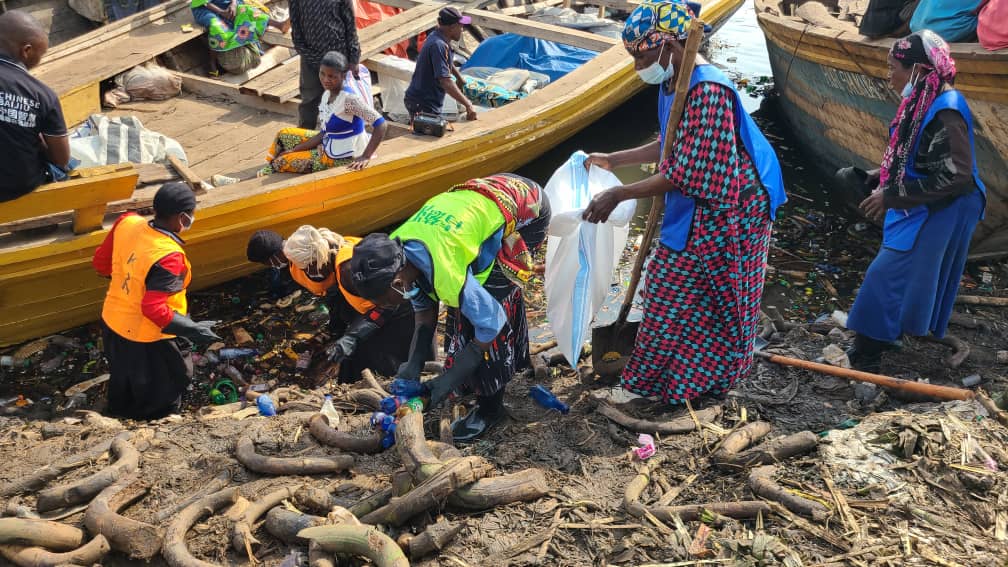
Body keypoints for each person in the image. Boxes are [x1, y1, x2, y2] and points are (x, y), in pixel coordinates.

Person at [580, 0, 787, 405]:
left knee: (695, 292)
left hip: (733, 206)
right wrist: (615, 159)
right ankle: (658, 377)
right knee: (669, 288)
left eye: (642, 55)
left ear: (671, 46)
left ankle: (687, 381)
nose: (639, 66)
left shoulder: (707, 89)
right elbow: (670, 143)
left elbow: (687, 173)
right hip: (700, 196)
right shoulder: (673, 82)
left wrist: (618, 192)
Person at [348, 174, 550, 442]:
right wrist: (414, 362)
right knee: (465, 306)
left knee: (487, 306)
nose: (384, 307)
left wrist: (445, 381)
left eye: (384, 301)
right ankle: (470, 378)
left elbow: (491, 324)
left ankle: (491, 410)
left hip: (527, 208)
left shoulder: (443, 269)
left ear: (397, 281)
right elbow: (424, 307)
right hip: (484, 199)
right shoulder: (395, 250)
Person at [843, 31, 986, 372]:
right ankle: (887, 334)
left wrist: (892, 196)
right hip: (923, 198)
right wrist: (884, 173)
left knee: (887, 273)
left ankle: (867, 354)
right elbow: (918, 154)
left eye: (893, 68)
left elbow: (956, 175)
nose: (888, 75)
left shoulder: (945, 111)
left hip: (945, 206)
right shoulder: (922, 98)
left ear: (919, 70)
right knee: (909, 272)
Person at [92, 183, 221, 420]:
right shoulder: (168, 256)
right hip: (147, 337)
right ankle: (153, 425)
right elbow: (153, 308)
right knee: (163, 389)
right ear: (182, 218)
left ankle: (118, 414)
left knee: (124, 378)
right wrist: (192, 329)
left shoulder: (127, 222)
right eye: (191, 215)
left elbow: (101, 263)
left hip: (113, 322)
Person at [246, 226, 414, 381]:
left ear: (316, 261)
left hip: (402, 310)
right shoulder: (329, 261)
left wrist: (352, 337)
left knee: (381, 361)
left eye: (306, 268)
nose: (305, 273)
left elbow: (386, 306)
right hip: (378, 308)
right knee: (353, 356)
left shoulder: (349, 270)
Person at [260, 50, 387, 175]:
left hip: (342, 155)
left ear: (343, 76)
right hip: (329, 142)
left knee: (282, 161)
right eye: (322, 74)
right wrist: (295, 150)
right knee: (283, 135)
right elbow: (323, 133)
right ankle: (271, 165)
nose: (326, 79)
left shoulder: (349, 99)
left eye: (332, 76)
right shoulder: (328, 94)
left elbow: (381, 124)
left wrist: (365, 156)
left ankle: (273, 167)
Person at [0, 10, 70, 202]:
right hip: (16, 188)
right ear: (27, 51)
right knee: (65, 168)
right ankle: (41, 225)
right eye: (42, 54)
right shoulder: (42, 94)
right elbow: (60, 159)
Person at [290, 0, 361, 129]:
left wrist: (354, 59)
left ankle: (340, 140)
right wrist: (308, 55)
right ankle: (305, 137)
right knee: (309, 100)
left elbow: (350, 27)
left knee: (340, 101)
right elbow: (296, 29)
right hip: (310, 57)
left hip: (338, 57)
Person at [403, 7, 477, 122]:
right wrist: (468, 104)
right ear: (452, 27)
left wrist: (459, 78)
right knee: (426, 137)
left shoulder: (438, 36)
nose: (462, 30)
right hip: (423, 102)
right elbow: (445, 81)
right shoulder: (438, 45)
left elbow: (446, 60)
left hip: (423, 99)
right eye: (460, 26)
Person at [190, 0, 290, 76]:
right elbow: (204, 2)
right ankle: (212, 63)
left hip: (226, 3)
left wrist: (233, 4)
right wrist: (221, 12)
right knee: (217, 28)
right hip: (206, 8)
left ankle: (280, 25)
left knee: (248, 11)